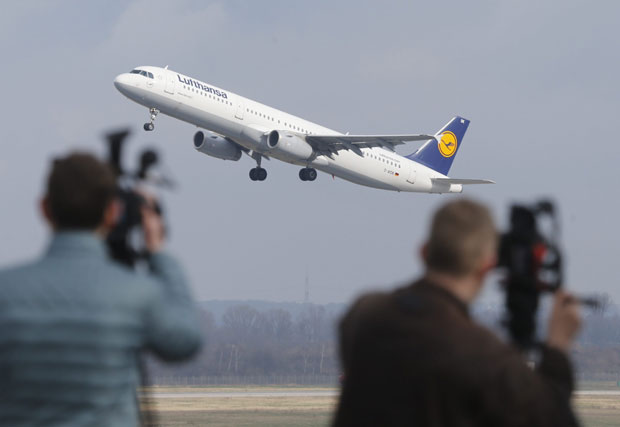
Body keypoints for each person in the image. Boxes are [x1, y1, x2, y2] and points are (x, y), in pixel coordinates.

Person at [333, 199, 580, 427]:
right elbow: (553, 417)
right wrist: (558, 346)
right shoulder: (485, 356)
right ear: (487, 266)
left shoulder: (363, 315)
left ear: (423, 252)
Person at [0, 153, 202, 426]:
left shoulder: (6, 291)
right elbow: (185, 342)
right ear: (112, 212)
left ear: (44, 208)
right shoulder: (136, 294)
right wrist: (158, 251)